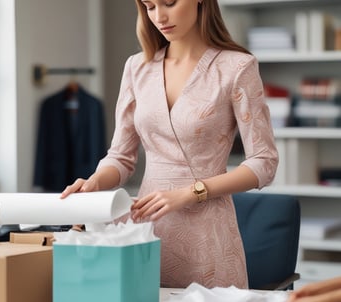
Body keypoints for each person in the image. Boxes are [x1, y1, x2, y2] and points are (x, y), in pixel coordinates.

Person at [61, 0, 278, 289]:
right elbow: (121, 157)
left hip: (207, 235)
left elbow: (264, 162)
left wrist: (193, 192)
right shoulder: (137, 67)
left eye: (169, 3)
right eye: (149, 6)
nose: (159, 16)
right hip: (144, 229)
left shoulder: (237, 67)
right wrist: (95, 182)